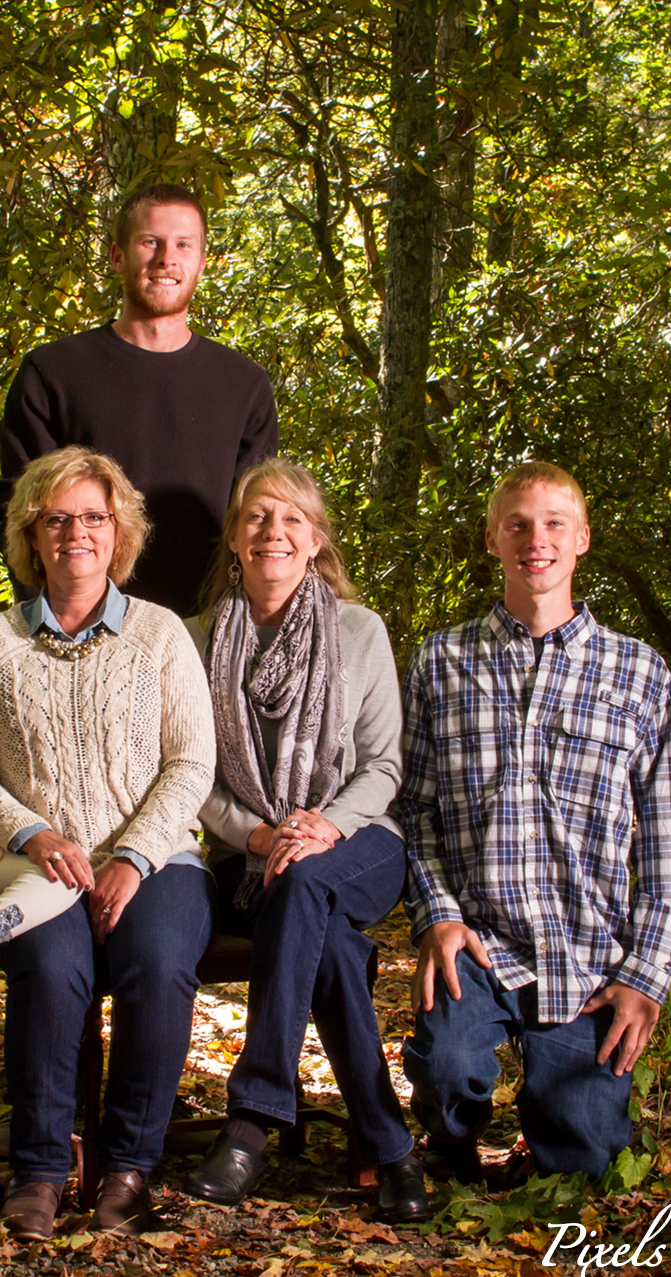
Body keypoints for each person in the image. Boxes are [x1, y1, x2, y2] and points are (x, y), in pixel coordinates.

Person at [0, 446, 216, 1240]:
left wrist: (133, 856)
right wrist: (33, 832)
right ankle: (42, 1168)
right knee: (54, 966)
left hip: (157, 860)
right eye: (57, 519)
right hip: (35, 865)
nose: (76, 533)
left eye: (93, 517)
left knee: (157, 964)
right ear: (32, 535)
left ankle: (128, 1166)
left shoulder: (160, 635)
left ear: (119, 530)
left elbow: (193, 760)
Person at [397, 462, 671, 1182]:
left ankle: (557, 1131)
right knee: (445, 1070)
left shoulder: (638, 673)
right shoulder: (442, 661)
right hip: (480, 945)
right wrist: (437, 916)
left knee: (584, 1160)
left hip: (590, 955)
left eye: (555, 523)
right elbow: (414, 809)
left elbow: (667, 847)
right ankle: (453, 1144)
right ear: (493, 540)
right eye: (518, 524)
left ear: (582, 538)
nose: (538, 539)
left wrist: (645, 978)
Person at [172, 460, 430, 1222]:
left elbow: (385, 763)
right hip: (250, 856)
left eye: (290, 519)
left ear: (315, 540)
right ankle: (390, 1145)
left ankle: (251, 1121)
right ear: (235, 537)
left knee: (308, 879)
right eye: (256, 517)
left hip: (361, 843)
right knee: (331, 944)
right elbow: (193, 773)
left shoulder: (360, 632)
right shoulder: (193, 642)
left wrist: (327, 826)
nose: (272, 531)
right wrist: (255, 832)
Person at [0, 182, 277, 615]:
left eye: (183, 244)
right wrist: (48, 622)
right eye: (151, 242)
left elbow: (258, 520)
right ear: (117, 256)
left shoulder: (244, 384)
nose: (167, 258)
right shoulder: (52, 373)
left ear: (201, 262)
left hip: (209, 630)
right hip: (83, 625)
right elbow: (19, 510)